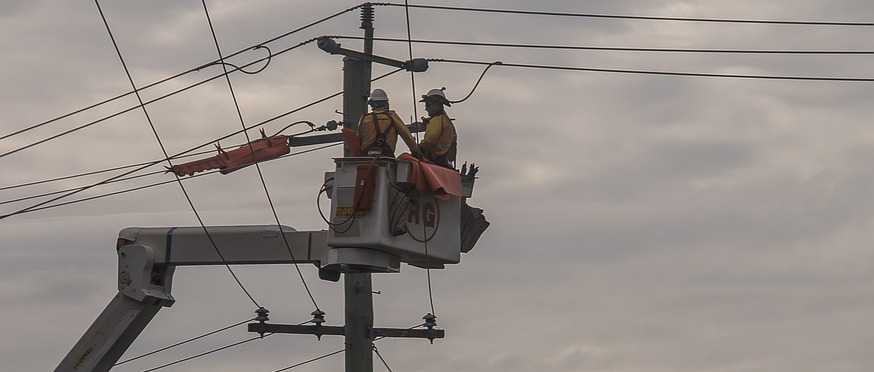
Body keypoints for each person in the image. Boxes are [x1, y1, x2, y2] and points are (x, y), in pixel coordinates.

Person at [357, 88, 419, 157]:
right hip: (386, 155)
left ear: (372, 104)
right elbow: (406, 134)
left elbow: (358, 140)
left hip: (366, 157)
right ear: (386, 103)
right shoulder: (392, 117)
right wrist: (416, 151)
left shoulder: (365, 119)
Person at [418, 88, 457, 168]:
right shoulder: (447, 121)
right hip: (445, 163)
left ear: (437, 105)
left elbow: (429, 141)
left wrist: (418, 147)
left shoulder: (438, 120)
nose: (426, 108)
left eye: (428, 105)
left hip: (435, 162)